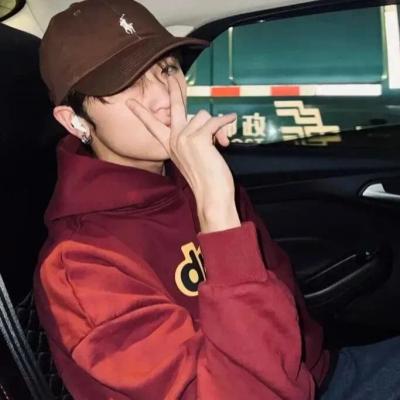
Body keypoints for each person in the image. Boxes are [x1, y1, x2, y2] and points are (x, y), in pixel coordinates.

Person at [34, 0, 330, 398]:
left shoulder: (190, 175)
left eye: (168, 69)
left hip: (318, 373)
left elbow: (280, 286)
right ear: (74, 120)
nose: (164, 97)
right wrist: (217, 213)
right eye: (126, 82)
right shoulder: (81, 266)